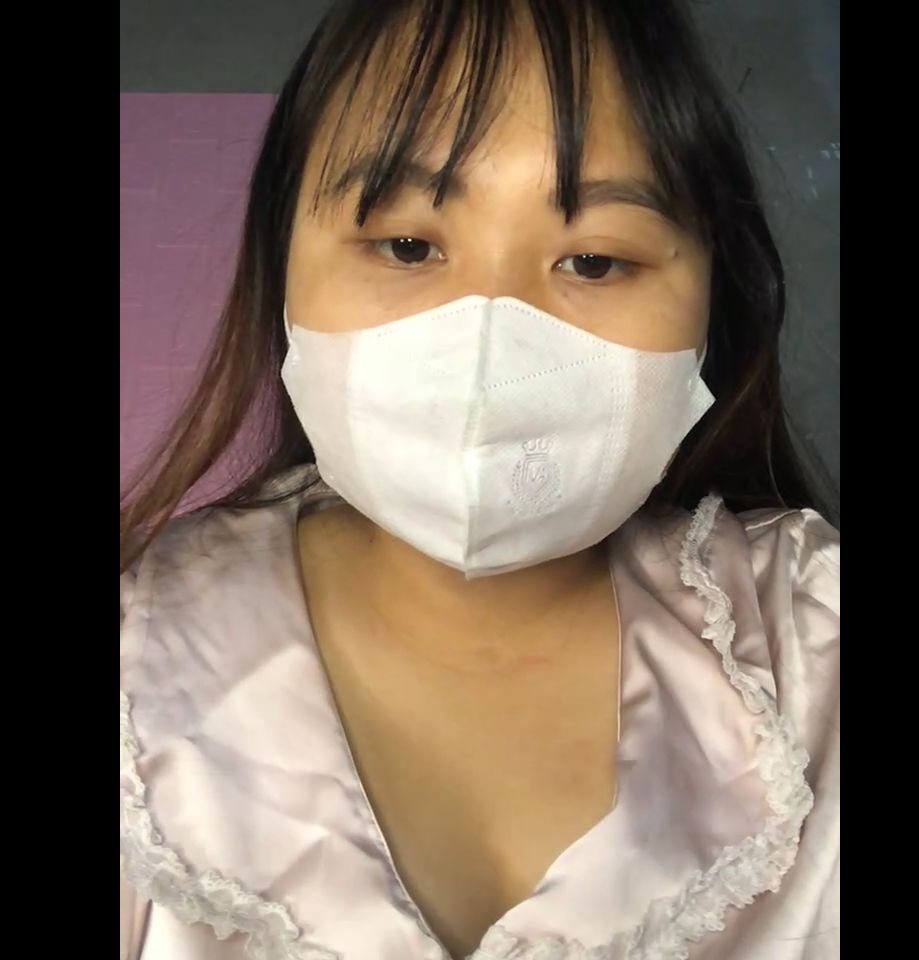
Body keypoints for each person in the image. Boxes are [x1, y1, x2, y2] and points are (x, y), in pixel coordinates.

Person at [119, 2, 840, 958]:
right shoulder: (137, 676)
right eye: (409, 247)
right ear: (282, 268)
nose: (488, 339)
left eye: (593, 261)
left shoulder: (812, 645)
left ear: (713, 305)